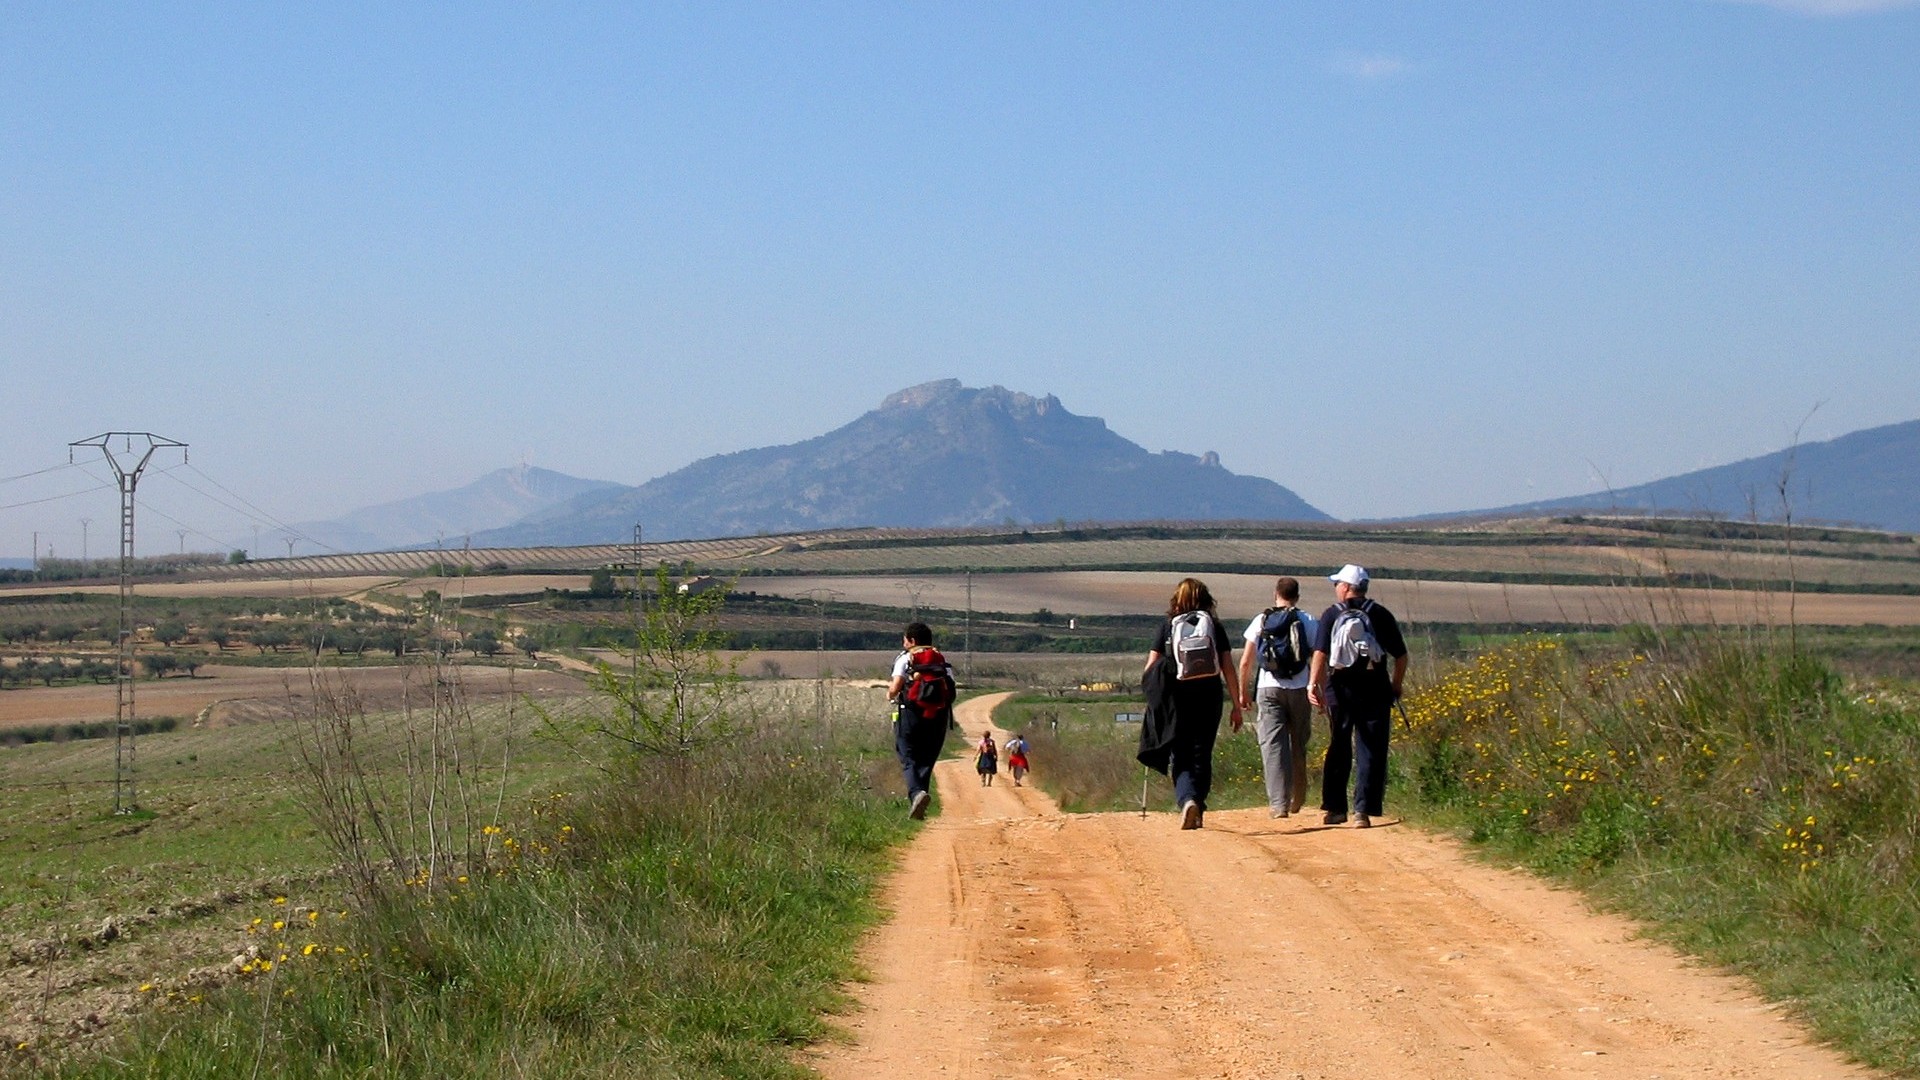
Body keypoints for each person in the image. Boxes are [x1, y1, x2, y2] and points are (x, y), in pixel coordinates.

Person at [1307, 565, 1409, 829]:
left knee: (1339, 746)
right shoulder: (1380, 614)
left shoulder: (1331, 614)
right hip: (1375, 688)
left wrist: (1312, 685)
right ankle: (1363, 810)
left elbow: (1320, 653)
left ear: (1345, 587)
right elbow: (1401, 656)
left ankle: (1336, 809)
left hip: (1340, 689)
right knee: (1370, 748)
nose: (1335, 588)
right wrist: (1395, 686)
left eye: (1337, 584)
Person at [1142, 577, 1243, 830]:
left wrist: (1153, 697)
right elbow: (1228, 668)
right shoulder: (1215, 627)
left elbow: (1150, 668)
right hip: (1209, 696)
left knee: (1181, 754)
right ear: (1206, 598)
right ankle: (1197, 801)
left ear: (1177, 599)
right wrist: (1237, 704)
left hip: (1177, 699)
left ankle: (1187, 800)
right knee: (1202, 753)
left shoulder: (1167, 627)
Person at [1237, 577, 1318, 819]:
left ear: (1276, 594)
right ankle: (1299, 795)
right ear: (1297, 596)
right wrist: (1317, 687)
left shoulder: (1261, 620)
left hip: (1268, 688)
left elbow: (1245, 662)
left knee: (1273, 747)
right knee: (1298, 743)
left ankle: (1278, 805)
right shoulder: (1309, 620)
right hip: (1300, 687)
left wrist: (1242, 692)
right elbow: (1318, 657)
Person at [888, 622, 954, 820]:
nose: (904, 643)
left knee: (908, 756)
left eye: (905, 639)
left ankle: (916, 794)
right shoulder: (941, 660)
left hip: (911, 714)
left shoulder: (906, 658)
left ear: (912, 641)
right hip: (938, 716)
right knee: (927, 758)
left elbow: (895, 687)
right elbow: (951, 690)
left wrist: (890, 694)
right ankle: (919, 803)